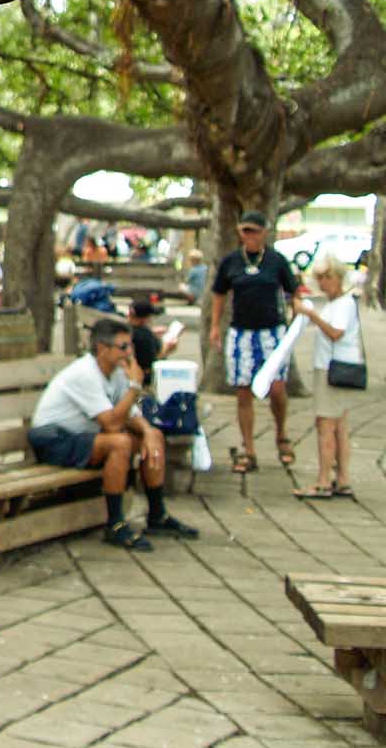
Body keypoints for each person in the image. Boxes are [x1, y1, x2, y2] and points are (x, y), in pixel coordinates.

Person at [27, 316, 200, 550]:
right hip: (53, 440)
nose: (128, 353)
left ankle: (157, 515)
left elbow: (131, 414)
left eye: (130, 346)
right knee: (119, 443)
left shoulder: (117, 372)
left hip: (83, 438)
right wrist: (136, 387)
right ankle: (115, 524)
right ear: (102, 348)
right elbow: (111, 423)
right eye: (122, 347)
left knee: (153, 436)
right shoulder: (85, 373)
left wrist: (148, 432)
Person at [209, 209, 302, 475]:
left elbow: (293, 290)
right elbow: (218, 293)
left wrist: (296, 320)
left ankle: (281, 433)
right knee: (243, 391)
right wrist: (215, 326)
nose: (249, 236)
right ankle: (248, 448)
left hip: (272, 331)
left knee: (277, 387)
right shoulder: (231, 262)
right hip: (242, 332)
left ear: (264, 233)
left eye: (254, 231)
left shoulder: (276, 261)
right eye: (245, 231)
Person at [293, 255, 361, 500]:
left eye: (327, 277)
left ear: (339, 278)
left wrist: (312, 316)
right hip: (337, 365)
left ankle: (323, 481)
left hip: (332, 368)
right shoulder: (338, 303)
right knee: (339, 426)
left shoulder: (342, 304)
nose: (323, 283)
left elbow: (335, 333)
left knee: (326, 425)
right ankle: (342, 479)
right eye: (320, 278)